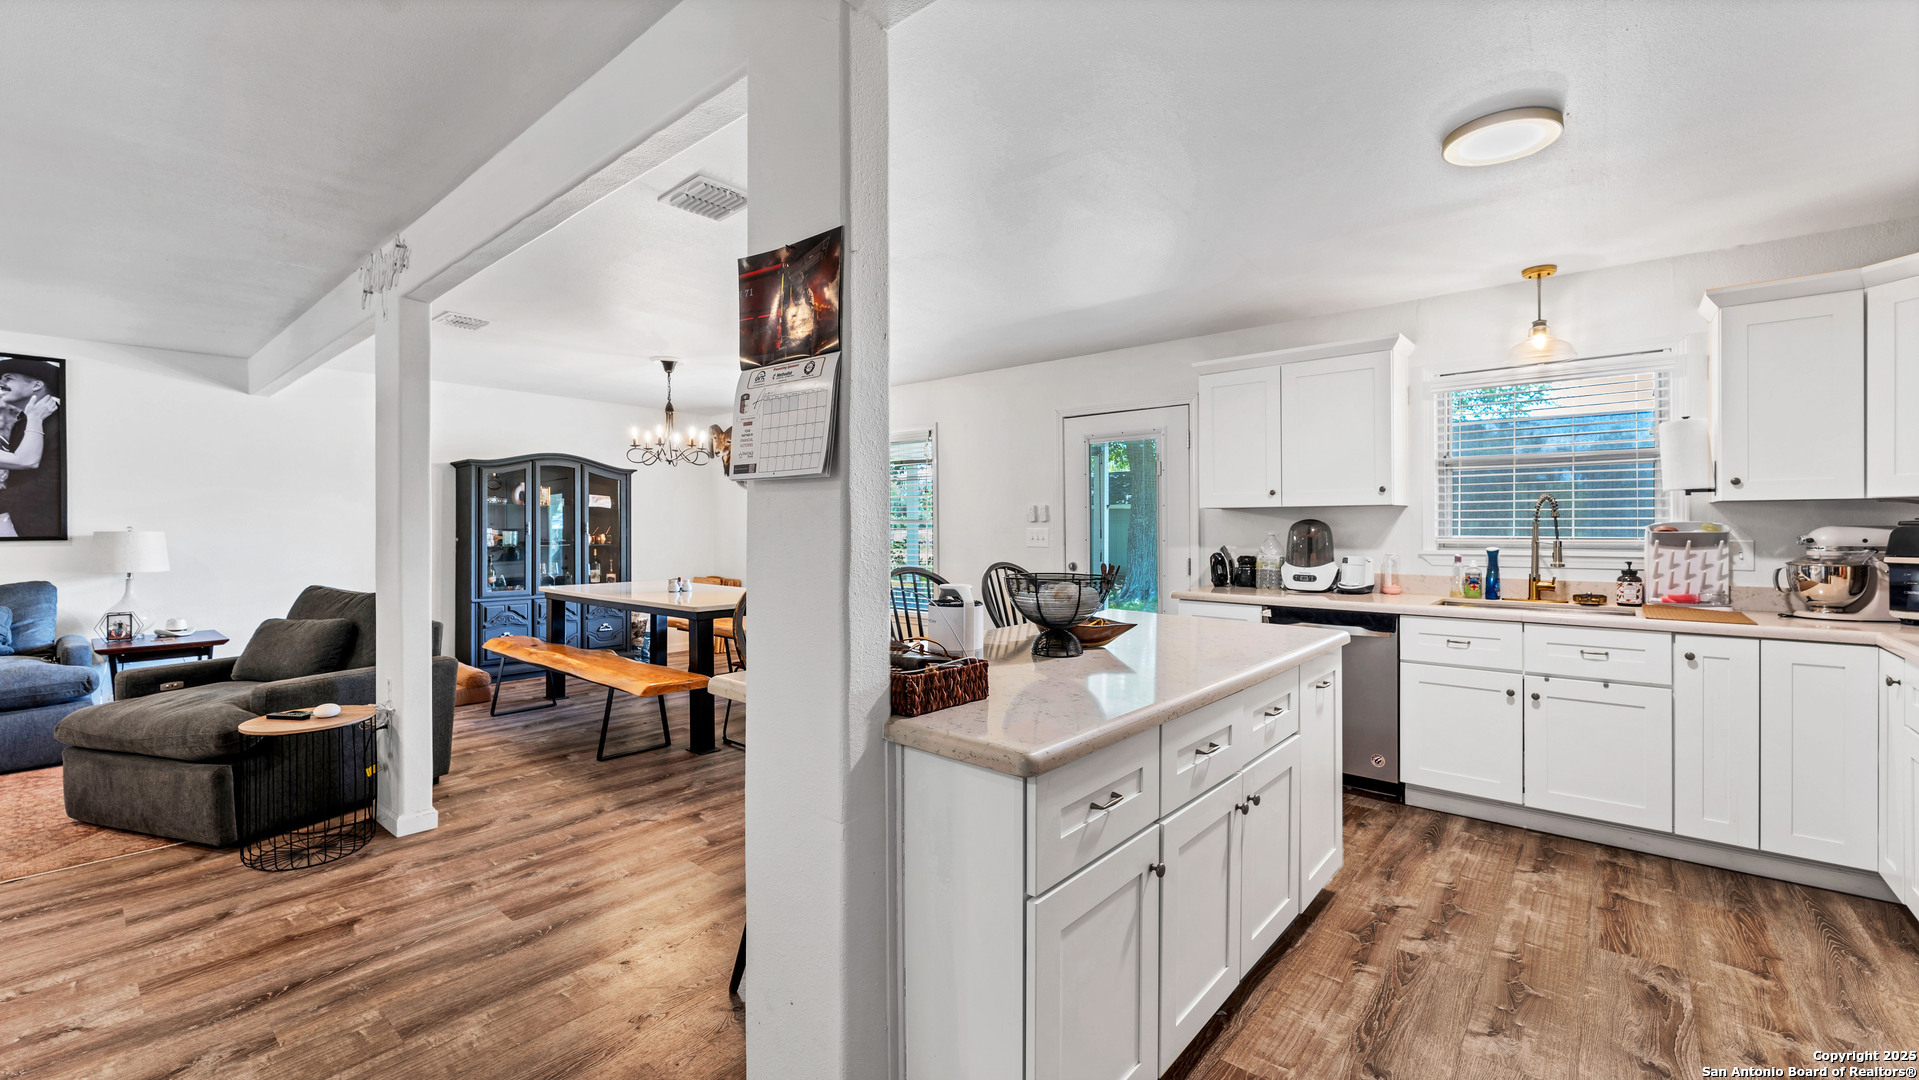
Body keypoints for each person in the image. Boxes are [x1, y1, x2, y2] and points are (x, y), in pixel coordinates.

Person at [0, 356, 65, 539]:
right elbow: (25, 461)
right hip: (21, 521)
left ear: (36, 385)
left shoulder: (61, 423)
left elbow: (53, 481)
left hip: (43, 525)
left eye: (9, 377)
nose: (1, 383)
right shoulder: (23, 423)